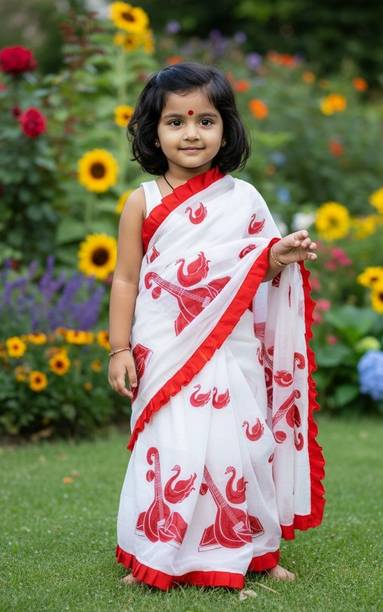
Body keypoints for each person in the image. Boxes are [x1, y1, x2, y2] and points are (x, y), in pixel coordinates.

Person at [108, 61, 326, 591]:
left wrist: (279, 255)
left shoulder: (243, 199)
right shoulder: (142, 202)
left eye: (205, 121)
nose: (191, 133)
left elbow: (256, 266)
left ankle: (257, 552)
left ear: (226, 130)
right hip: (165, 350)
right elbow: (126, 279)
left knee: (242, 449)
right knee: (174, 450)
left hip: (231, 349)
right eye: (175, 121)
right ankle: (156, 553)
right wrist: (118, 348)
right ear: (152, 132)